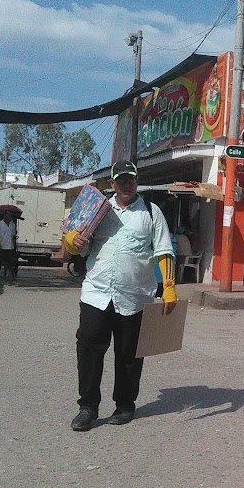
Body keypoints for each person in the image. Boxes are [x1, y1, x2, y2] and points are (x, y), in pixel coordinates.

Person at [62, 161, 177, 431]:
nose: (127, 185)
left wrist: (169, 287)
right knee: (89, 350)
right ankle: (87, 407)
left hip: (135, 297)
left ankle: (125, 405)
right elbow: (74, 244)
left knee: (129, 354)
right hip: (96, 293)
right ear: (112, 183)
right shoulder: (96, 209)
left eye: (131, 180)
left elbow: (163, 251)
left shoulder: (151, 212)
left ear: (136, 181)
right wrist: (71, 240)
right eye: (121, 180)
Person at [0, 210, 18, 284]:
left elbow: (13, 236)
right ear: (5, 216)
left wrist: (13, 243)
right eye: (8, 215)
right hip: (1, 247)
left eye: (10, 215)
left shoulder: (12, 224)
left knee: (10, 264)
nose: (10, 217)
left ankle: (11, 279)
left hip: (10, 248)